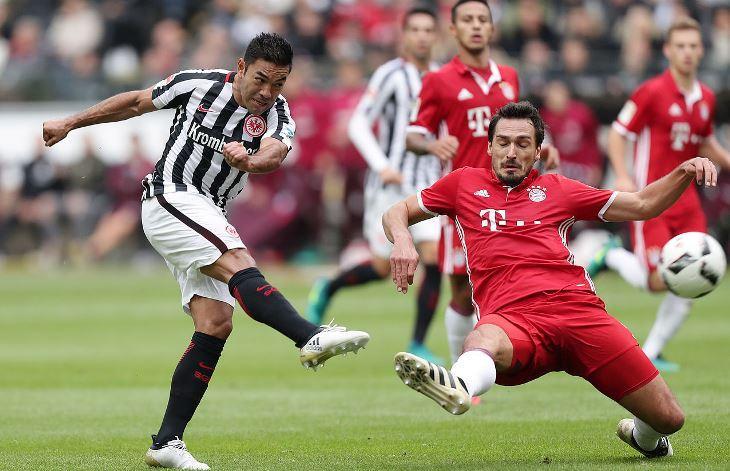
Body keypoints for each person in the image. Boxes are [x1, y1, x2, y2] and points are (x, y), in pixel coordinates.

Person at [42, 33, 370, 471]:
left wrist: (250, 161)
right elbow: (136, 102)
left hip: (210, 209)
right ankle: (308, 335)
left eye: (278, 83)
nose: (267, 92)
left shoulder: (278, 113)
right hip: (170, 196)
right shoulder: (197, 84)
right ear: (241, 66)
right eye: (261, 79)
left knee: (216, 323)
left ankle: (166, 442)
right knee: (240, 263)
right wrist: (70, 122)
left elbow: (275, 152)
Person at [384, 101, 718, 458]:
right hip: (514, 320)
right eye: (503, 142)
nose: (511, 153)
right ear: (490, 146)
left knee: (669, 418)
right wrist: (403, 240)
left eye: (523, 144)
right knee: (482, 338)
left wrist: (684, 171)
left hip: (580, 314)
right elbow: (396, 211)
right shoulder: (463, 183)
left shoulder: (559, 189)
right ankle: (459, 385)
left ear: (538, 151)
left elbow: (641, 205)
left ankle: (643, 438)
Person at [405, 0, 558, 368]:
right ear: (454, 30)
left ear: (492, 28)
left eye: (482, 20)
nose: (475, 26)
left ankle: (493, 358)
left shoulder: (508, 76)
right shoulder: (438, 81)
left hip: (510, 197)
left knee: (506, 284)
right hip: (464, 201)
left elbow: (523, 126)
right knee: (462, 289)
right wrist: (432, 145)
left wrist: (543, 147)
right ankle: (462, 373)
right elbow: (413, 135)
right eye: (467, 20)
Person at [587, 17, 730, 372]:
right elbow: (618, 134)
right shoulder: (651, 92)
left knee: (695, 274)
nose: (687, 52)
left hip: (689, 203)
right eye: (680, 46)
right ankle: (611, 254)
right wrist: (622, 175)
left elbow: (703, 142)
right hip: (652, 200)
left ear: (701, 50)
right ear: (667, 50)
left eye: (693, 46)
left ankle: (651, 353)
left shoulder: (706, 97)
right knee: (656, 281)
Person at [306, 6, 443, 362]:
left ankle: (418, 343)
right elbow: (358, 124)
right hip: (390, 186)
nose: (422, 36)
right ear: (404, 35)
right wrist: (382, 166)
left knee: (434, 256)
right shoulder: (390, 75)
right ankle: (329, 286)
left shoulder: (443, 77)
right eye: (415, 29)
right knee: (383, 268)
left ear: (437, 36)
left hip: (429, 185)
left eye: (428, 30)